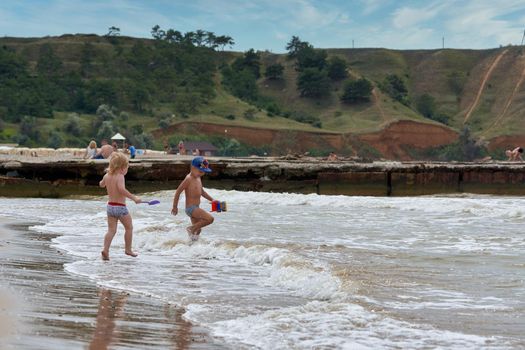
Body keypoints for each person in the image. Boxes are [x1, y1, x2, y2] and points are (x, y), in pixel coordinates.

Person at [99, 152, 141, 260]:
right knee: (129, 227)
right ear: (122, 168)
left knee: (111, 230)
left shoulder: (107, 175)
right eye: (127, 167)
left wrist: (103, 182)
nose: (126, 170)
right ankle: (128, 249)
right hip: (120, 207)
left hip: (110, 207)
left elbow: (101, 184)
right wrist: (134, 198)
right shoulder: (120, 176)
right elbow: (121, 190)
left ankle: (105, 250)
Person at [171, 156, 215, 242]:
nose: (201, 174)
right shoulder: (188, 179)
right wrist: (175, 207)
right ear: (193, 168)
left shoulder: (198, 177)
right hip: (191, 208)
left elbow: (202, 192)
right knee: (210, 219)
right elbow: (178, 191)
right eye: (200, 171)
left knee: (198, 230)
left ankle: (191, 245)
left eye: (203, 172)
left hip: (195, 208)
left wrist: (212, 200)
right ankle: (190, 229)